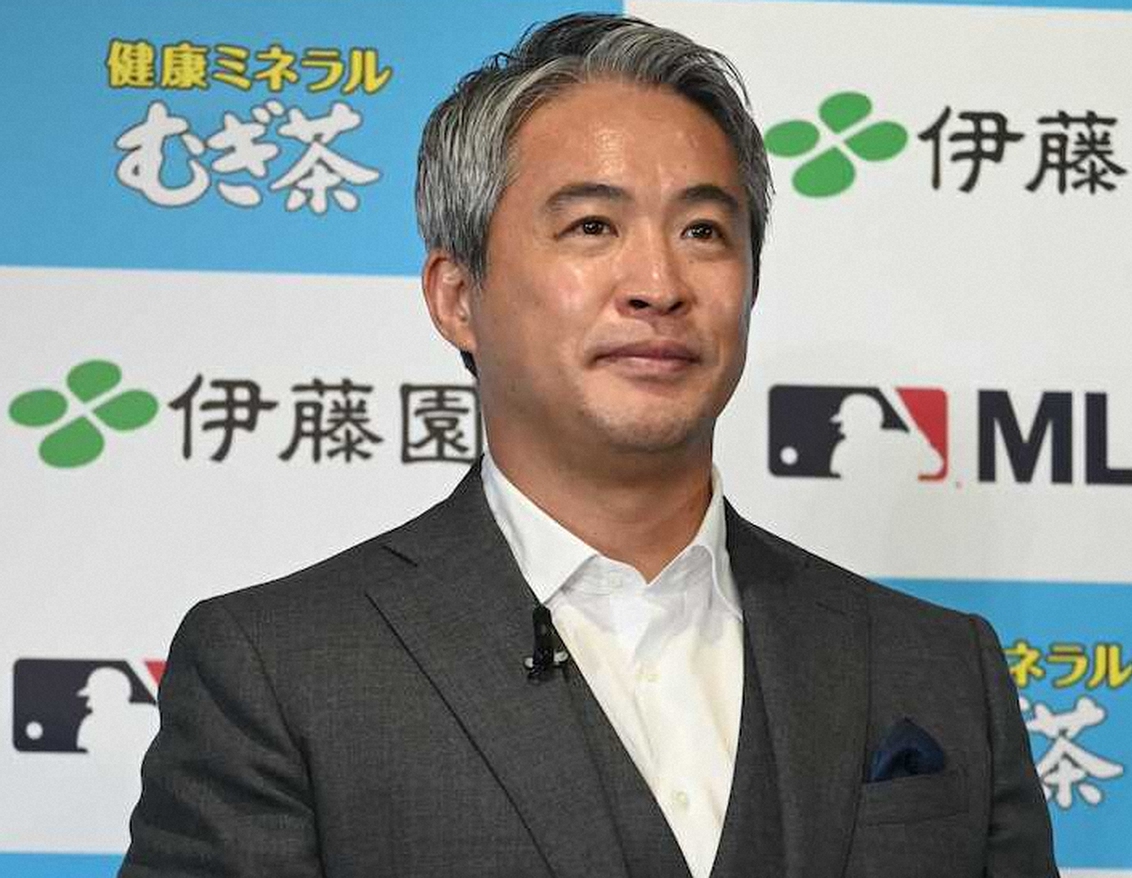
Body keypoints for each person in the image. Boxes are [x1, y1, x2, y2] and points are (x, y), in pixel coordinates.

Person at [120, 13, 1058, 878]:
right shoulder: (282, 669)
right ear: (458, 297)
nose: (658, 284)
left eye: (703, 230)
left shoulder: (940, 666)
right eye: (593, 227)